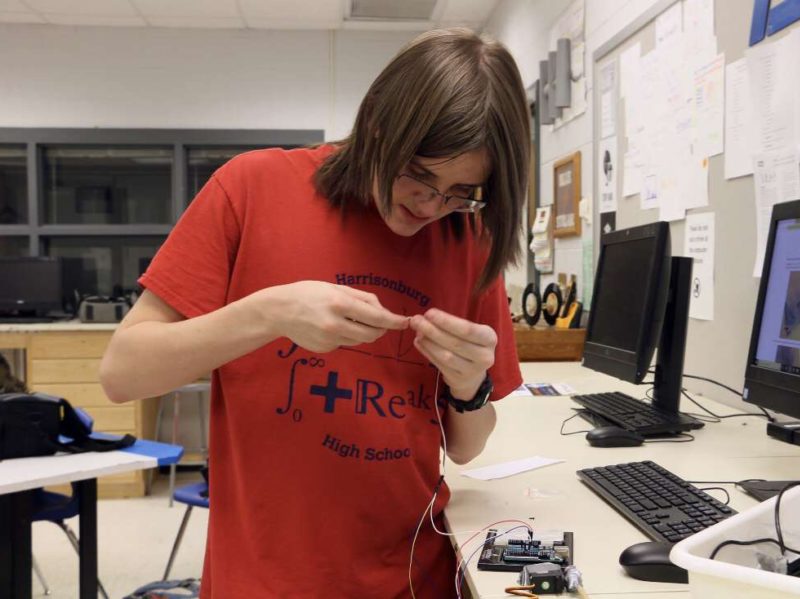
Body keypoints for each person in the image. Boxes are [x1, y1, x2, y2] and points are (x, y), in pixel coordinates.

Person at [99, 28, 529, 598]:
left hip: (415, 575)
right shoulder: (251, 189)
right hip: (267, 578)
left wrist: (469, 385)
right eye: (419, 175)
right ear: (377, 125)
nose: (430, 207)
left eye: (460, 190)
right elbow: (123, 373)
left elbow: (468, 446)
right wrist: (271, 311)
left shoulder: (469, 237)